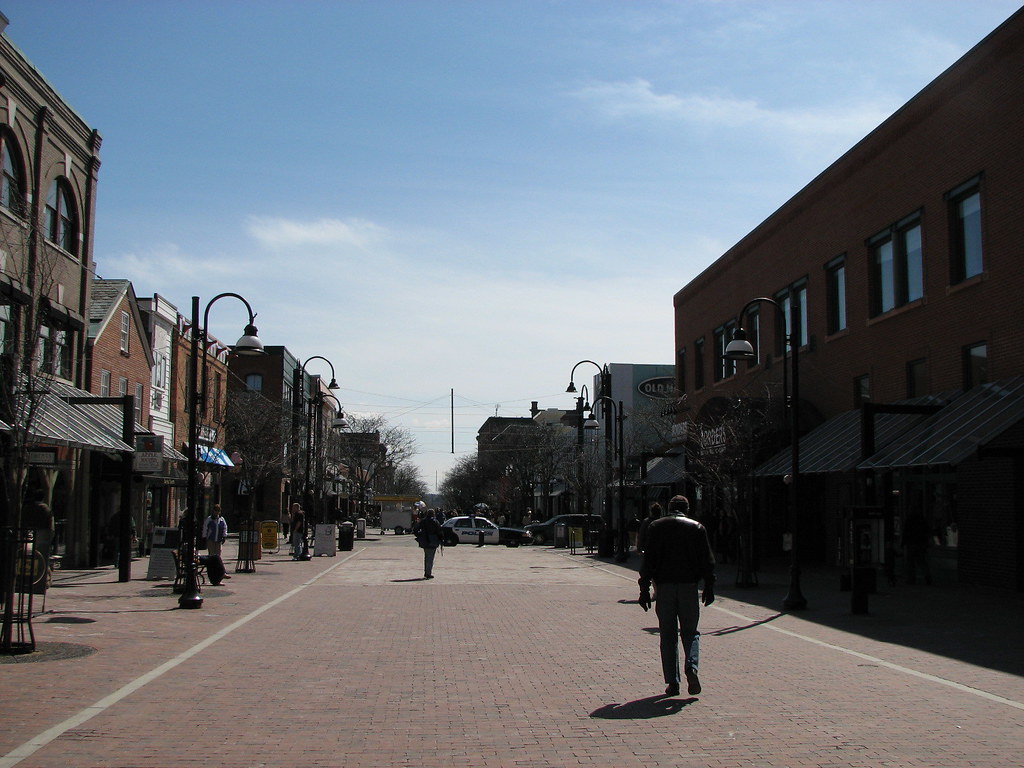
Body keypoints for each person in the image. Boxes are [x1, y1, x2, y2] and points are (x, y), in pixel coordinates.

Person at [638, 495, 715, 697]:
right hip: (689, 586)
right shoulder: (696, 528)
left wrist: (644, 588)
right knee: (691, 632)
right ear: (687, 509)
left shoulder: (656, 527)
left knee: (668, 635)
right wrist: (709, 585)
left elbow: (649, 560)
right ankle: (692, 667)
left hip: (664, 587)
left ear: (669, 508)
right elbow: (707, 560)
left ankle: (673, 682)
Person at [412, 508, 443, 579]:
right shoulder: (435, 522)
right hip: (433, 541)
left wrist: (419, 536)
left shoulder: (423, 521)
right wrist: (440, 540)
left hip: (425, 541)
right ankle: (428, 573)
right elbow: (439, 532)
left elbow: (415, 529)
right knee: (430, 558)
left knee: (426, 557)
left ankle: (426, 572)